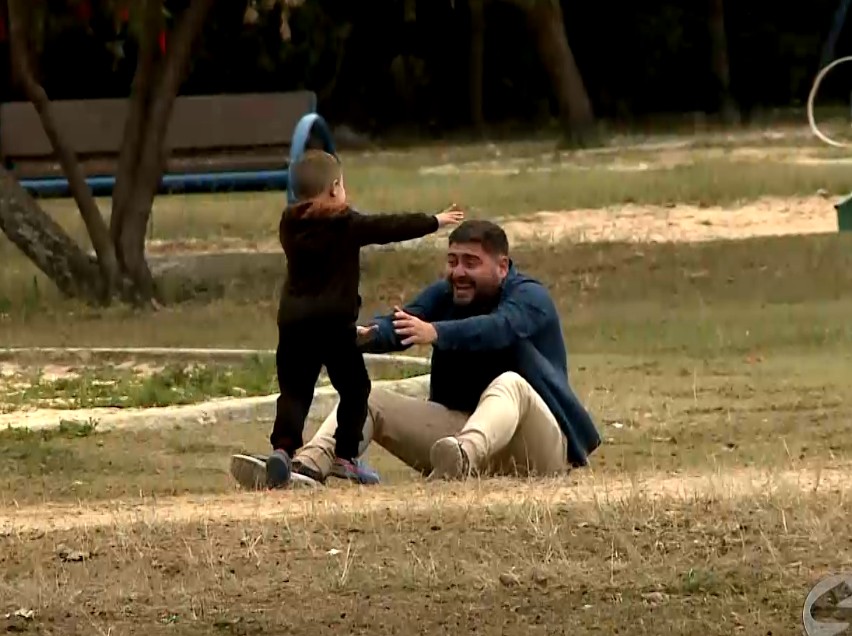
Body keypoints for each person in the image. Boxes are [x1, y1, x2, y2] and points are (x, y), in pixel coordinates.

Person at [230, 219, 600, 489]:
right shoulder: (444, 295)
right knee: (370, 397)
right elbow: (403, 322)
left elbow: (498, 329)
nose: (458, 272)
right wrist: (363, 335)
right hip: (459, 434)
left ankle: (462, 458)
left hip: (538, 447)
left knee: (510, 384)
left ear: (502, 267)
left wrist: (437, 332)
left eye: (471, 262)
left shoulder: (529, 298)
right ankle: (303, 468)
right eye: (453, 260)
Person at [265, 148, 464, 489]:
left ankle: (283, 450)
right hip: (333, 325)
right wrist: (435, 221)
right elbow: (387, 227)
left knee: (295, 391)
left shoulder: (289, 223)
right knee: (355, 388)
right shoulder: (344, 224)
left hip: (294, 324)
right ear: (335, 187)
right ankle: (345, 457)